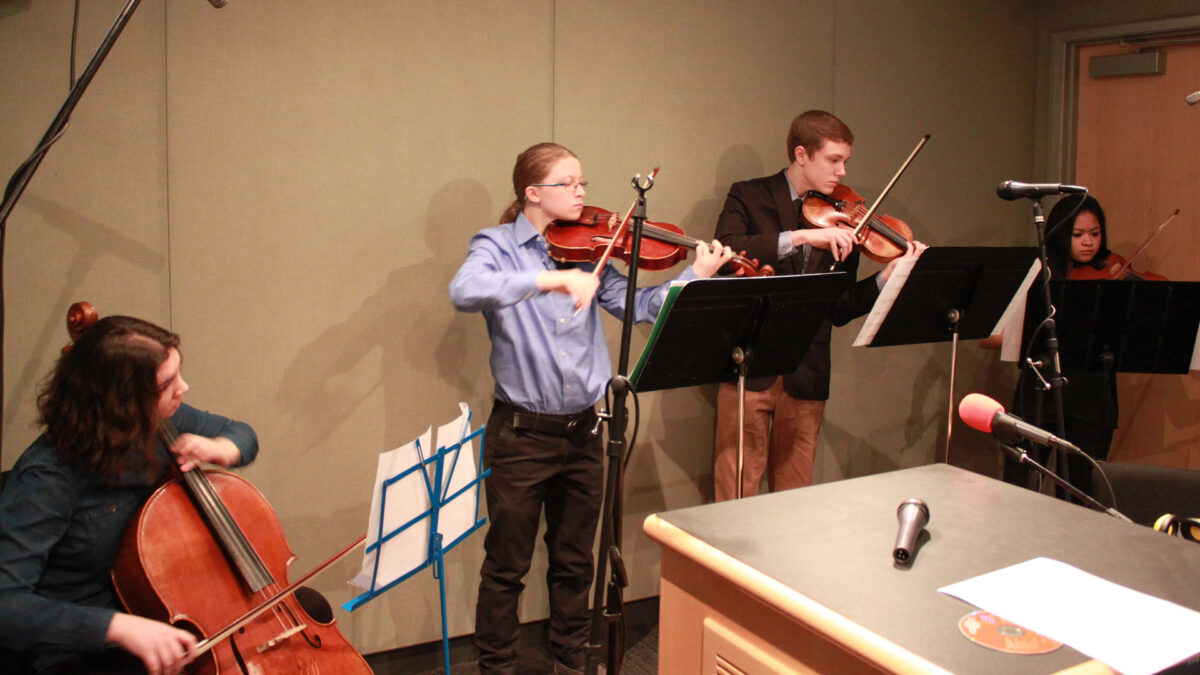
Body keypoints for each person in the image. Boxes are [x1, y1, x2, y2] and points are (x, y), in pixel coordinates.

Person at [449, 142, 733, 675]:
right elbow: (466, 290)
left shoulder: (587, 251)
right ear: (533, 193)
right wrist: (550, 279)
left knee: (576, 563)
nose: (583, 193)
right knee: (506, 567)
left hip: (584, 432)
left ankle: (571, 663)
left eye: (583, 182)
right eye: (569, 183)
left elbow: (642, 307)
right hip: (522, 436)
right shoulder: (497, 246)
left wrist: (694, 275)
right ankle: (498, 669)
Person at [0, 315, 259, 675]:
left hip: (156, 611)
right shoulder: (47, 478)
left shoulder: (161, 421)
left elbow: (242, 434)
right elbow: (6, 605)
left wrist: (222, 448)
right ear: (123, 402)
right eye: (167, 384)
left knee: (307, 611)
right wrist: (115, 627)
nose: (183, 389)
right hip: (76, 648)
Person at [712, 110, 926, 501]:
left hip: (805, 373)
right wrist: (803, 237)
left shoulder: (847, 219)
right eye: (834, 160)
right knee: (734, 495)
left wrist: (885, 278)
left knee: (795, 498)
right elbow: (726, 251)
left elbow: (840, 308)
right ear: (801, 154)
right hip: (749, 366)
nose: (842, 172)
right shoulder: (748, 195)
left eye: (845, 161)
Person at [1002, 194, 1118, 496]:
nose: (1089, 242)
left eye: (1095, 233)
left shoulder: (1110, 278)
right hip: (1039, 393)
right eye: (1078, 235)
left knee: (1081, 493)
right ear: (1060, 233)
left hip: (1091, 401)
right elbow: (992, 337)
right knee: (1020, 488)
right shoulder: (1038, 275)